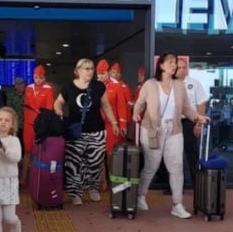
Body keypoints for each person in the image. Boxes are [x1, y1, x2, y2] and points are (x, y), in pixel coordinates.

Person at [132, 53, 202, 219]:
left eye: (175, 63)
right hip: (153, 130)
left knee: (176, 167)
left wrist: (197, 117)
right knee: (152, 165)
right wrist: (135, 113)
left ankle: (177, 204)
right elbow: (140, 103)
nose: (174, 65)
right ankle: (140, 195)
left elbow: (186, 108)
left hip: (174, 129)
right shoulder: (150, 84)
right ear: (161, 65)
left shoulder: (179, 86)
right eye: (170, 62)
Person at [53, 58, 120, 205]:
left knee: (95, 162)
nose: (90, 71)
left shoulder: (99, 86)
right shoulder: (68, 86)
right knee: (74, 163)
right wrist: (58, 110)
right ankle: (75, 193)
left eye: (91, 68)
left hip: (97, 130)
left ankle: (93, 187)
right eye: (86, 68)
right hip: (75, 131)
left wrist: (114, 122)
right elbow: (58, 101)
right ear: (77, 71)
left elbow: (106, 105)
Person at [96, 60, 130, 191]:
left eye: (103, 73)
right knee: (99, 154)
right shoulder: (93, 86)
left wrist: (123, 124)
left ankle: (112, 179)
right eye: (99, 74)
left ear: (108, 73)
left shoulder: (116, 86)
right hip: (97, 125)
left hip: (112, 125)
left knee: (111, 154)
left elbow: (121, 106)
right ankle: (102, 181)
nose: (101, 76)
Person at [175, 57, 209, 187]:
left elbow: (201, 104)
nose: (182, 70)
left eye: (184, 67)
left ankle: (197, 185)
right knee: (174, 155)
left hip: (189, 121)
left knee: (191, 153)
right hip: (174, 122)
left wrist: (198, 124)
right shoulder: (170, 83)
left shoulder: (194, 83)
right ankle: (177, 186)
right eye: (179, 68)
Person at [19, 65, 54, 187]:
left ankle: (39, 179)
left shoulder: (48, 89)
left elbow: (49, 109)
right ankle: (23, 178)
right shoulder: (28, 88)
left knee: (41, 153)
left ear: (44, 77)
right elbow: (26, 106)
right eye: (36, 77)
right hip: (28, 125)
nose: (38, 80)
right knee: (27, 151)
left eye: (40, 77)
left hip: (41, 126)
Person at [5, 77, 26, 153]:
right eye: (20, 84)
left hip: (27, 124)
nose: (22, 86)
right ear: (16, 86)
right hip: (16, 125)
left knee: (25, 144)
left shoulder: (28, 94)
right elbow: (9, 111)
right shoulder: (11, 96)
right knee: (16, 143)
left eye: (23, 83)